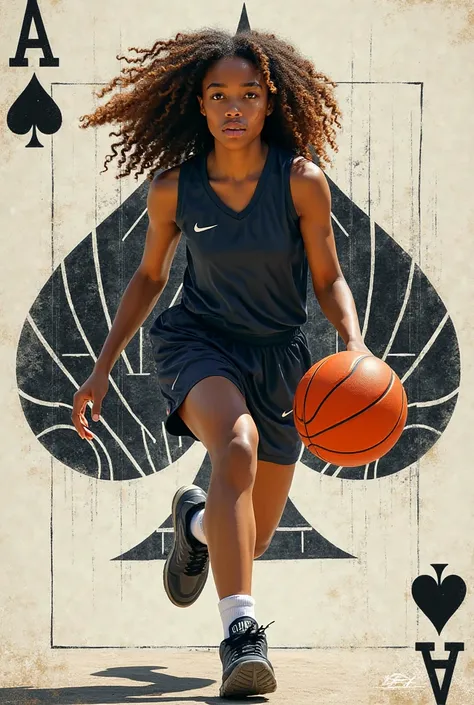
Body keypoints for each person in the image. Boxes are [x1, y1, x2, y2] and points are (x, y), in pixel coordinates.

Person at [73, 27, 371, 698]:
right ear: (199, 106)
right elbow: (149, 277)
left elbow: (327, 280)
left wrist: (351, 342)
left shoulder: (301, 183)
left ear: (270, 102)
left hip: (280, 357)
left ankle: (196, 523)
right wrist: (101, 368)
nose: (233, 107)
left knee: (252, 537)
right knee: (235, 445)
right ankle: (243, 636)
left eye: (247, 94)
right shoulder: (175, 190)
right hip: (198, 342)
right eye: (218, 95)